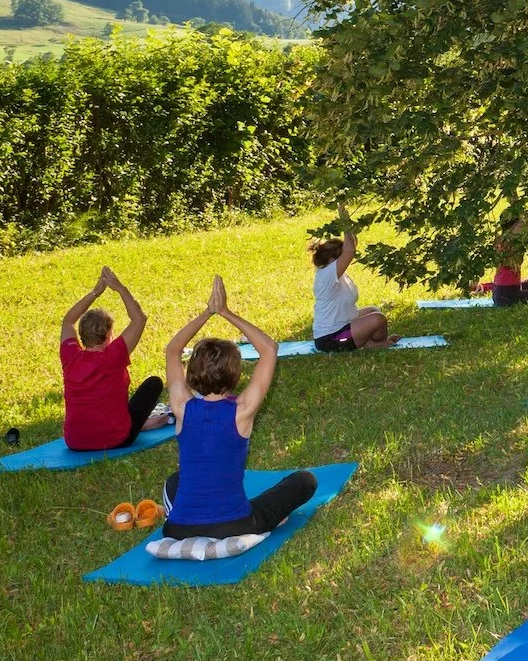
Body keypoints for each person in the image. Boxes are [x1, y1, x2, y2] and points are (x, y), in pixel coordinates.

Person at [161, 277, 317, 539]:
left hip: (177, 529)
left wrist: (207, 312)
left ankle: (176, 513)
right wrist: (225, 312)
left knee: (176, 480)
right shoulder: (242, 410)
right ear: (235, 375)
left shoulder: (181, 407)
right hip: (236, 525)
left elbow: (172, 350)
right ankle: (269, 519)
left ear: (193, 372)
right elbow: (269, 349)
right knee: (305, 480)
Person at [58, 266, 170, 451]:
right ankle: (142, 425)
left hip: (75, 442)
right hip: (115, 439)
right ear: (109, 334)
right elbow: (139, 318)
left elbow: (68, 321)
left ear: (82, 335)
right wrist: (119, 288)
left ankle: (141, 424)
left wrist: (95, 292)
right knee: (153, 384)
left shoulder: (70, 357)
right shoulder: (113, 356)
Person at [310, 210, 394, 351]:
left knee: (373, 310)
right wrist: (344, 218)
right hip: (332, 339)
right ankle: (377, 345)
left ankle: (369, 343)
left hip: (343, 327)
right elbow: (350, 250)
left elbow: (351, 244)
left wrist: (347, 221)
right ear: (332, 259)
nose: (346, 259)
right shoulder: (327, 275)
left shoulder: (336, 273)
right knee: (378, 319)